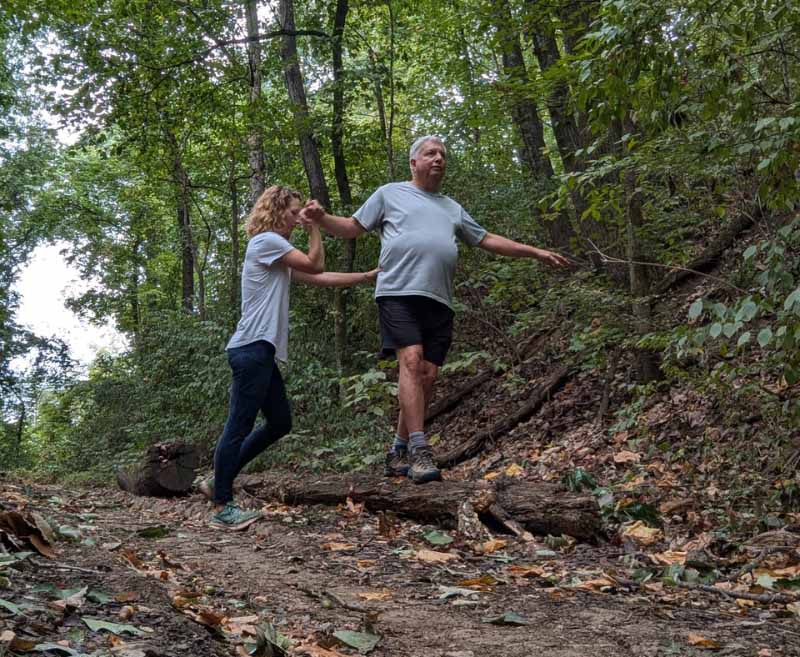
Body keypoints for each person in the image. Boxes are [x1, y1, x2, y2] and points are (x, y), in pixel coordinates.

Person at [302, 135, 571, 484]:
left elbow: (486, 239)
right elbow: (352, 228)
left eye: (442, 154)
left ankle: (398, 448)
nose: (438, 158)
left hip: (439, 299)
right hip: (398, 292)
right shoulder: (389, 194)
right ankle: (419, 449)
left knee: (427, 375)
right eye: (430, 154)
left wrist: (534, 251)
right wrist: (322, 218)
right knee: (410, 360)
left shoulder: (451, 207)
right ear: (414, 163)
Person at [206, 185, 379, 530]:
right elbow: (316, 262)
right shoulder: (267, 242)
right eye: (294, 210)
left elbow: (320, 276)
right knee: (238, 425)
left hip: (260, 351)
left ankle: (219, 480)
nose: (298, 216)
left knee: (280, 421)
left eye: (301, 210)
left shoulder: (276, 254)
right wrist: (316, 224)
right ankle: (222, 505)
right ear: (276, 210)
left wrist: (366, 276)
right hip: (251, 348)